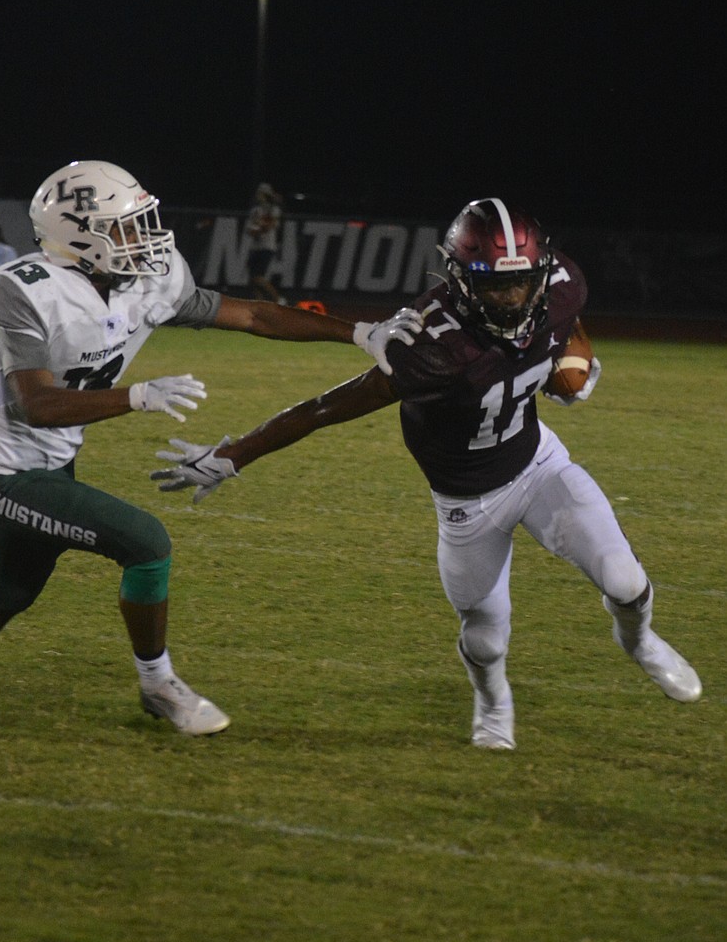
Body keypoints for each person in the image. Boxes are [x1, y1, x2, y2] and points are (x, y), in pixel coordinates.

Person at [0, 160, 422, 734]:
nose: (144, 237)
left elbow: (250, 313)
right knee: (146, 544)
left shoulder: (149, 278)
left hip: (55, 462)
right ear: (79, 236)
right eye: (124, 227)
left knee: (10, 590)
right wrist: (137, 396)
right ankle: (158, 685)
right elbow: (34, 406)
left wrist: (359, 333)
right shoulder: (22, 288)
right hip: (0, 472)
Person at [154, 197, 702, 750]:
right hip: (466, 502)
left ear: (541, 272)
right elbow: (325, 408)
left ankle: (639, 642)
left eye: (522, 283)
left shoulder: (560, 284)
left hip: (539, 465)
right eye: (496, 287)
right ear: (460, 279)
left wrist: (573, 366)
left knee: (627, 583)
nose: (513, 299)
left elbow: (566, 322)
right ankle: (493, 700)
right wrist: (235, 455)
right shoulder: (429, 344)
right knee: (486, 638)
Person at [245, 182, 284, 302]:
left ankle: (278, 299)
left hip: (267, 246)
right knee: (252, 279)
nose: (259, 196)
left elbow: (270, 226)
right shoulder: (256, 210)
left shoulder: (274, 210)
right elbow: (250, 230)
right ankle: (259, 302)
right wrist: (258, 229)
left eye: (261, 194)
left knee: (258, 277)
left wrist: (260, 227)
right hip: (255, 247)